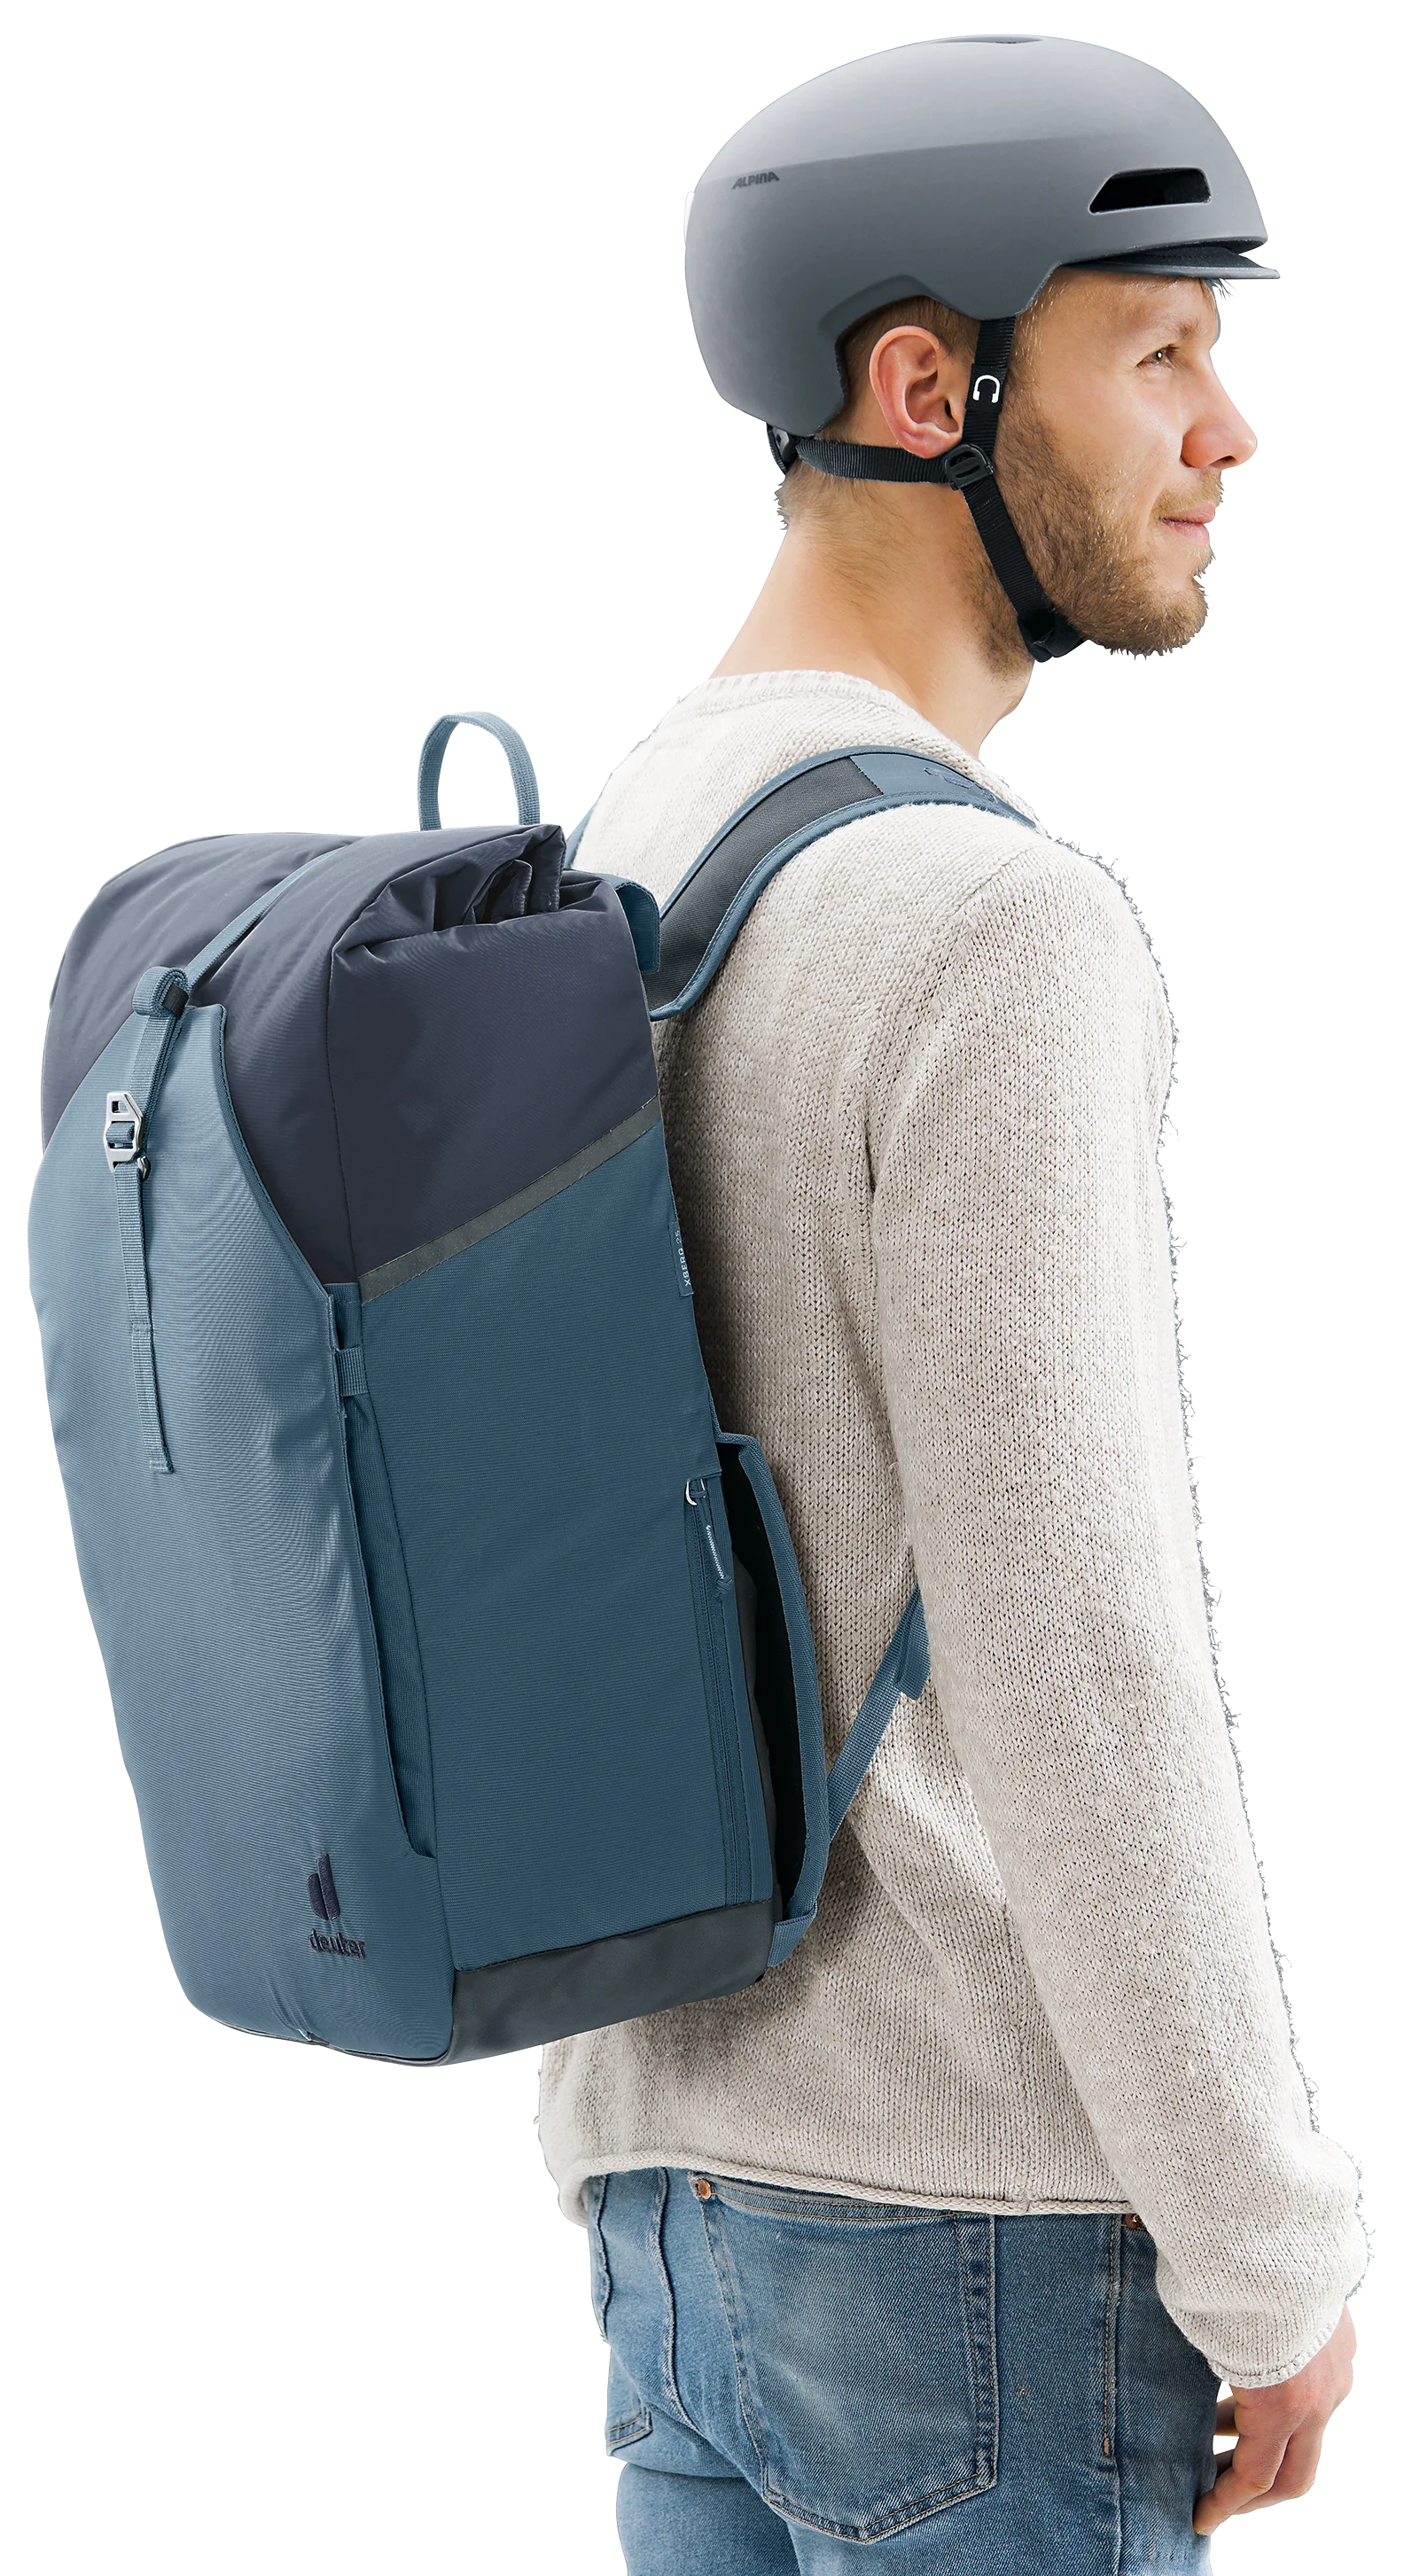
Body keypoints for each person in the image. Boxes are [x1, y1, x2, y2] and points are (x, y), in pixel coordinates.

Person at [536, 35, 1365, 2572]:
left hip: (670, 2207)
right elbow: (1075, 1650)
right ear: (929, 384)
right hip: (980, 2253)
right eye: (1162, 347)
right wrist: (1269, 2248)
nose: (1231, 429)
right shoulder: (983, 925)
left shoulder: (626, 842)